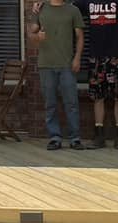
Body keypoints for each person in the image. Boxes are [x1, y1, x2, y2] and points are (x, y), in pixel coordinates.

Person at [29, 0, 86, 150]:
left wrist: (77, 58)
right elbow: (31, 33)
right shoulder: (40, 9)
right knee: (50, 103)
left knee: (71, 102)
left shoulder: (72, 10)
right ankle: (55, 137)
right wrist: (37, 37)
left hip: (67, 64)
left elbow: (80, 36)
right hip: (46, 64)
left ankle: (75, 138)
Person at [75, 0, 118, 149]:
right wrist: (42, 3)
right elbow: (64, 5)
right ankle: (99, 136)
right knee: (97, 97)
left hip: (115, 55)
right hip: (95, 56)